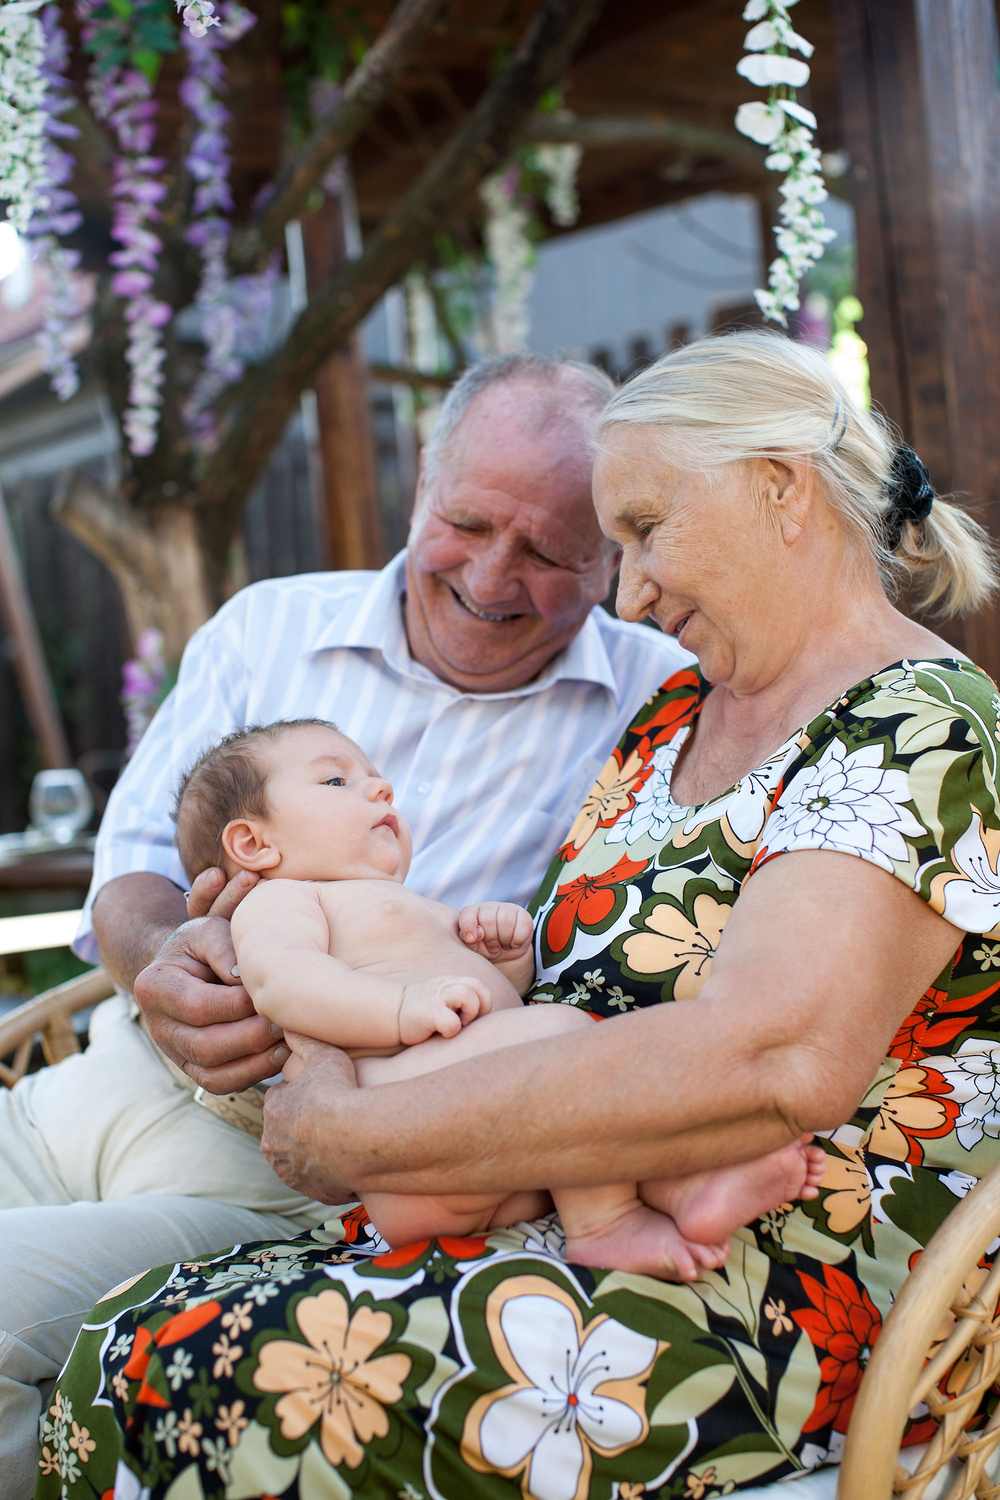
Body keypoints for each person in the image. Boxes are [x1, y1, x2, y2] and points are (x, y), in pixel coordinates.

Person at [38, 329, 1000, 1500]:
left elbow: (774, 1057)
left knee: (210, 1377)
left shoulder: (913, 721)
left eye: (640, 534)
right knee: (135, 1333)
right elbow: (549, 987)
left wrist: (356, 1133)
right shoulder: (671, 722)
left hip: (767, 1268)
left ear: (781, 492)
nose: (631, 590)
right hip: (558, 1201)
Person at [0, 354, 690, 1499]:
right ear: (421, 483)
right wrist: (170, 962)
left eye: (550, 553)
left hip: (284, 1158)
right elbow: (126, 877)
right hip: (102, 1076)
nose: (489, 573)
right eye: (466, 521)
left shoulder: (654, 704)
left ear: (612, 554)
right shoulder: (271, 628)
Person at [175, 718, 825, 1273]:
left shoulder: (405, 901)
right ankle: (605, 1226)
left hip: (503, 1146)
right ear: (253, 843)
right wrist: (401, 1010)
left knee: (576, 1086)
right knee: (563, 1039)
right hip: (406, 1131)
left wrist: (504, 958)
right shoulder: (280, 901)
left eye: (374, 775)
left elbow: (489, 1004)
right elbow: (284, 984)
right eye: (337, 780)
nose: (380, 786)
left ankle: (687, 1186)